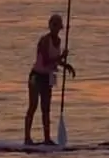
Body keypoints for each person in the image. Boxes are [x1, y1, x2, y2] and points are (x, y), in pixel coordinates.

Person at [25, 13, 76, 145]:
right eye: (53, 25)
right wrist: (61, 57)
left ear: (60, 28)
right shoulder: (44, 40)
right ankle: (27, 138)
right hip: (36, 76)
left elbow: (55, 61)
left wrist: (66, 65)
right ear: (49, 26)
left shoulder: (58, 41)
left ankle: (47, 139)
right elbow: (47, 60)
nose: (55, 28)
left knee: (46, 108)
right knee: (33, 106)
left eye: (57, 25)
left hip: (48, 77)